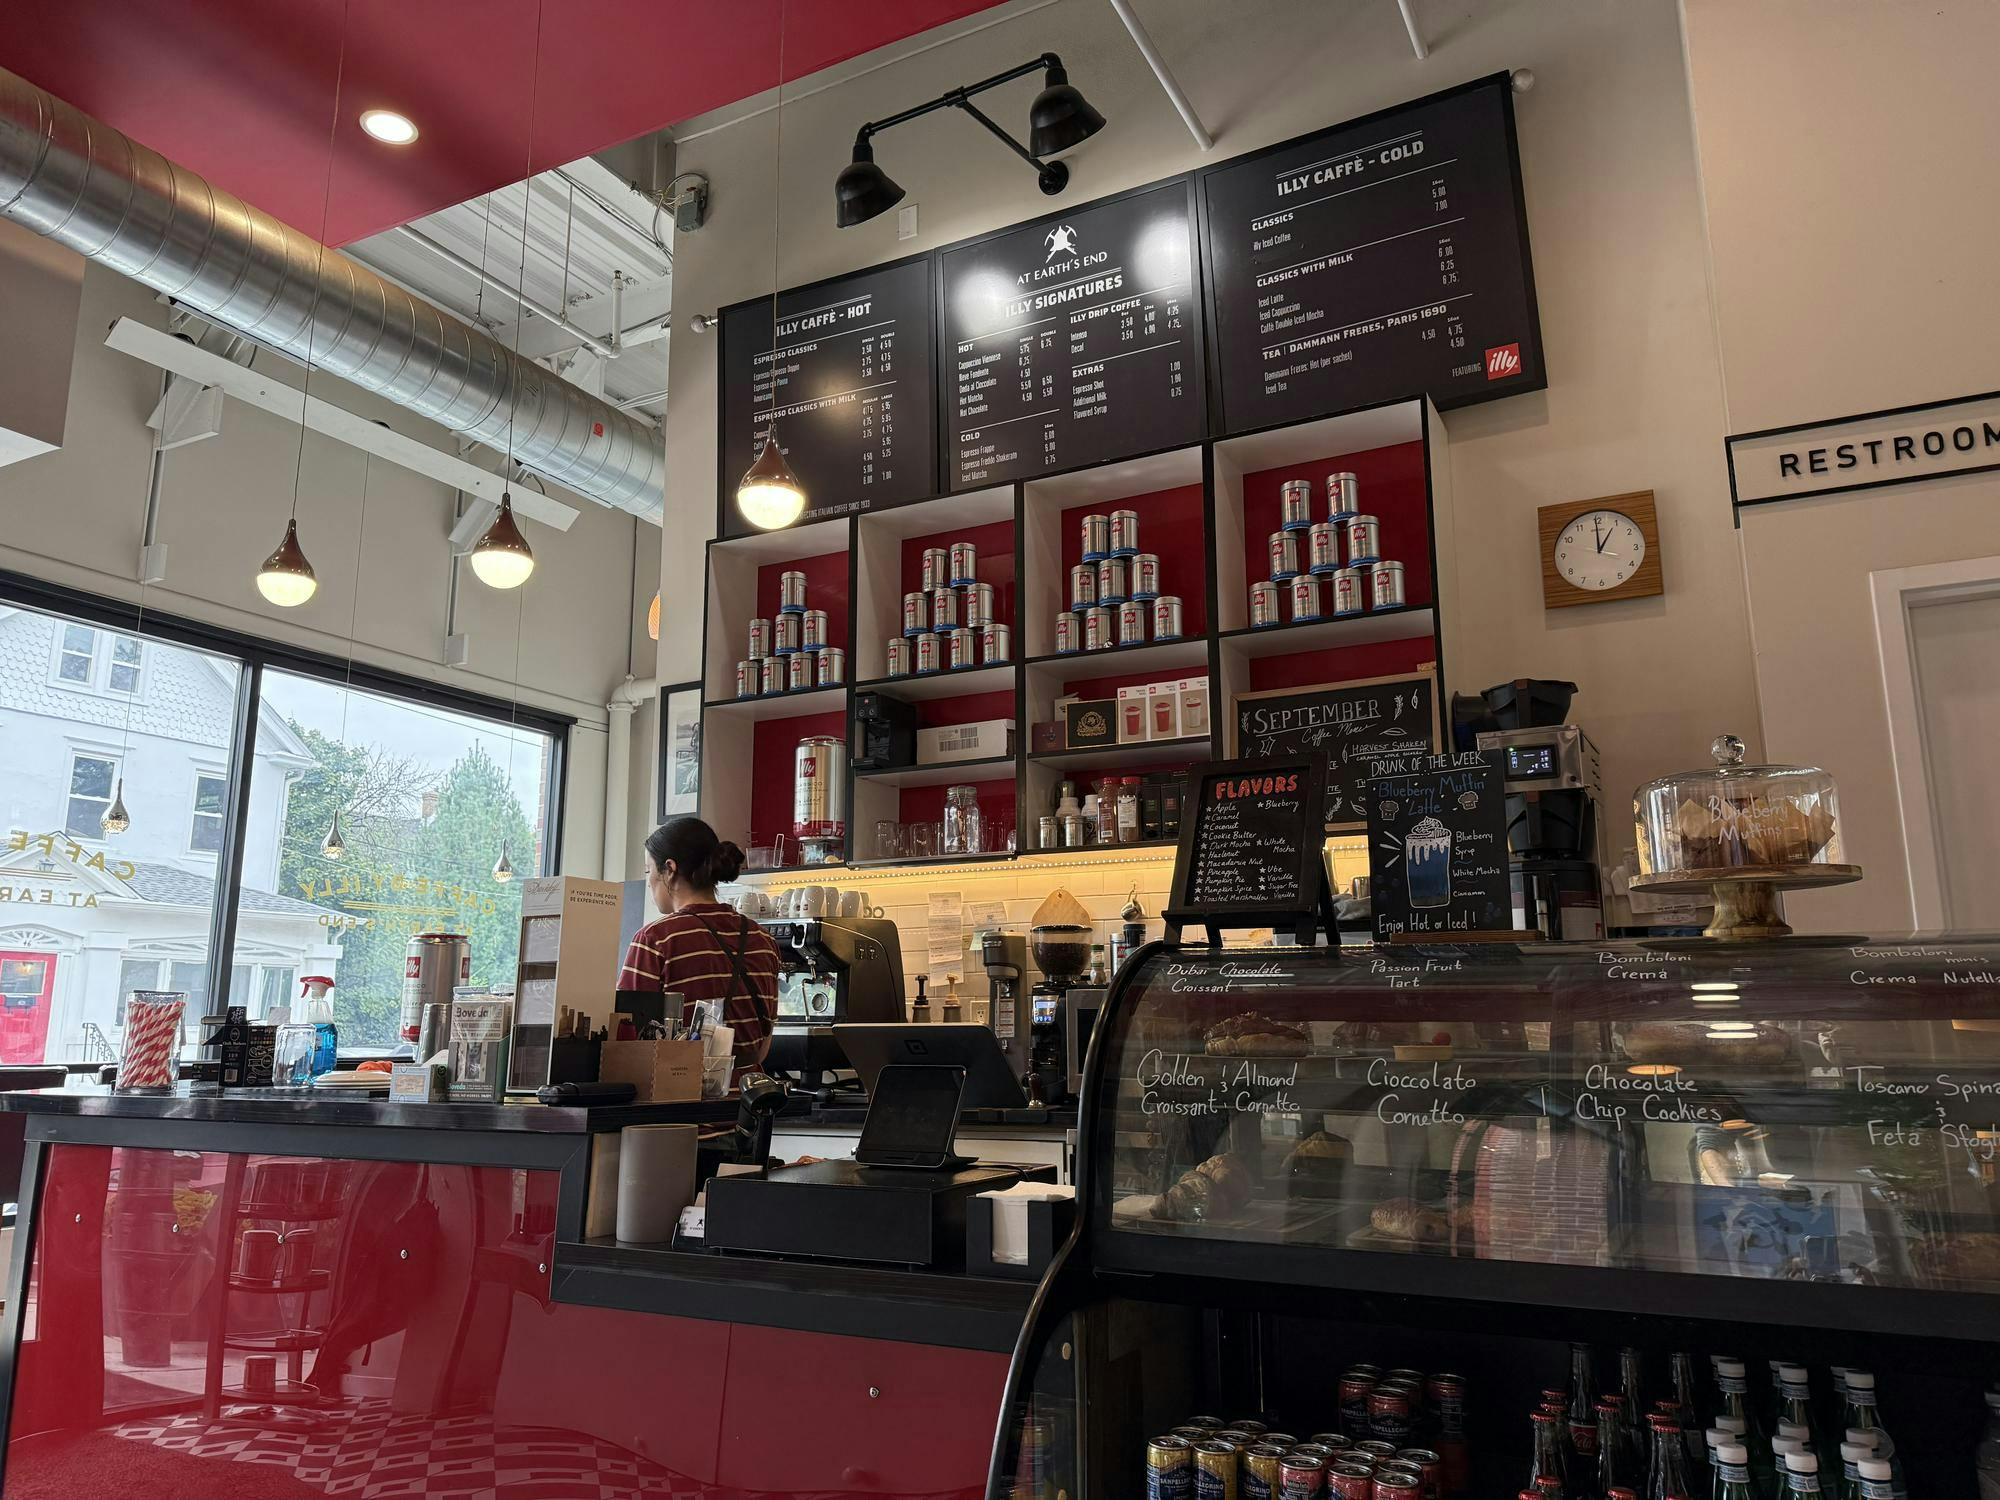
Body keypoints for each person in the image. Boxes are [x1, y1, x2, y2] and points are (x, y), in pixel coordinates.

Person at [618, 816, 779, 1083]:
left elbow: (627, 1039)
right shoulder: (763, 940)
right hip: (748, 1106)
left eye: (649, 872)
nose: (649, 882)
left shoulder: (656, 939)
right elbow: (762, 1048)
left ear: (669, 869)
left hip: (680, 1106)